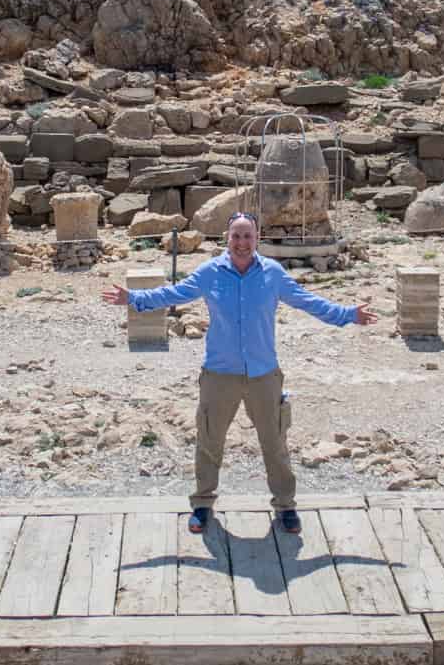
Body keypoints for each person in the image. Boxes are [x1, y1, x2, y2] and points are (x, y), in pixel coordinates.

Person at [102, 211, 378, 535]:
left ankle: (285, 507)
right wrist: (134, 298)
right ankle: (203, 505)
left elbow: (308, 302)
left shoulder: (273, 274)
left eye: (248, 236)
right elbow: (174, 293)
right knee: (209, 441)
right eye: (236, 236)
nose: (242, 243)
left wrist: (347, 314)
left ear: (257, 239)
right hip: (220, 374)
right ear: (226, 238)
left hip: (264, 374)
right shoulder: (210, 272)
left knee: (275, 444)